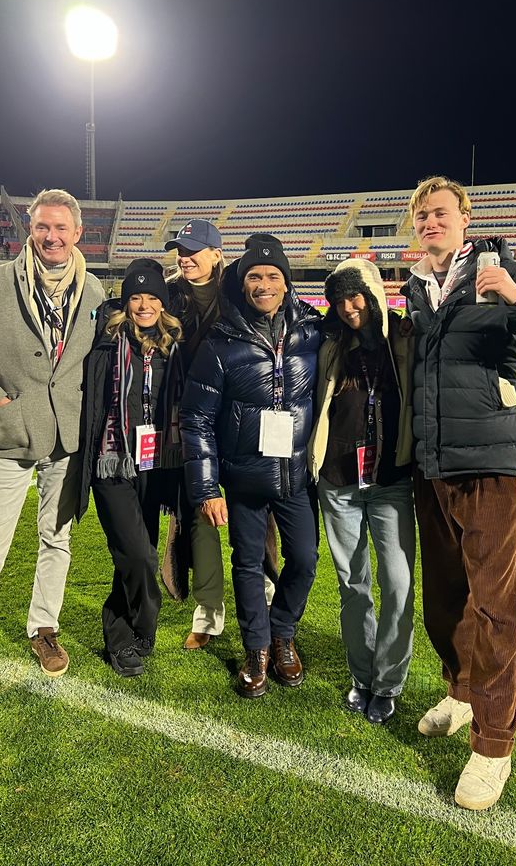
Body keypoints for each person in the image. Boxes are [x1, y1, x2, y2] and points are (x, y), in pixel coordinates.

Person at [403, 175, 516, 811]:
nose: (431, 223)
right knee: (447, 600)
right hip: (433, 466)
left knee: (495, 608)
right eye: (422, 216)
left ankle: (493, 746)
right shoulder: (416, 287)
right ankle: (461, 694)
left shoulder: (501, 265)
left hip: (489, 462)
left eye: (441, 214)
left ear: (465, 217)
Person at [0, 189, 104, 706]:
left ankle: (43, 628)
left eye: (60, 228)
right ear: (31, 230)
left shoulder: (92, 291)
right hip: (9, 438)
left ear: (76, 233)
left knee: (57, 541)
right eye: (42, 227)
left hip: (66, 441)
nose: (51, 237)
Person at [180, 238, 321, 698]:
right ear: (243, 285)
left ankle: (283, 632)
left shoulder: (311, 332)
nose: (263, 284)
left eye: (272, 276)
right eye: (254, 277)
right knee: (247, 563)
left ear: (286, 282)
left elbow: (370, 339)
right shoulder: (220, 343)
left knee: (303, 558)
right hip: (243, 478)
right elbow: (196, 418)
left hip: (296, 475)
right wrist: (206, 489)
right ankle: (258, 648)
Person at [309, 258, 415, 724]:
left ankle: (388, 681)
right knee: (354, 585)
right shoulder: (330, 342)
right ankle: (363, 677)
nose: (349, 307)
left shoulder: (406, 339)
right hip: (338, 480)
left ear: (373, 295)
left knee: (397, 584)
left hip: (391, 480)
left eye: (356, 296)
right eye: (340, 299)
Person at [77, 259, 183, 677]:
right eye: (136, 297)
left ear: (163, 303)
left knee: (135, 555)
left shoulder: (173, 346)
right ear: (125, 302)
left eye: (152, 297)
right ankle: (137, 630)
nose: (143, 305)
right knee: (138, 556)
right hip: (111, 462)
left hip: (153, 465)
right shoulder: (105, 341)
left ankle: (124, 638)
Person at [163, 219, 227, 648]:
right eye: (180, 250)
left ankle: (263, 592)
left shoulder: (239, 290)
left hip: (239, 415)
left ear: (216, 254)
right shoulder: (169, 293)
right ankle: (208, 612)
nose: (184, 257)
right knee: (199, 511)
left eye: (193, 250)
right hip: (189, 418)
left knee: (254, 518)